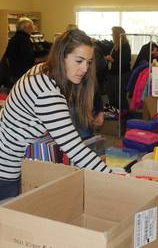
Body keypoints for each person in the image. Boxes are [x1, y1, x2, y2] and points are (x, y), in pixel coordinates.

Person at [0, 28, 111, 201]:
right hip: (5, 166)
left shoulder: (41, 71)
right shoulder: (48, 93)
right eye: (79, 61)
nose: (84, 69)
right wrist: (114, 178)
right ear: (62, 56)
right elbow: (75, 149)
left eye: (88, 62)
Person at [4, 17, 35, 88]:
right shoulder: (25, 40)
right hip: (22, 75)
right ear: (25, 28)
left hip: (12, 73)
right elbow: (29, 59)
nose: (32, 30)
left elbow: (7, 57)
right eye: (31, 27)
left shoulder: (13, 38)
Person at [105, 26, 131, 110]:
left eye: (113, 33)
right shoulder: (115, 45)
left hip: (121, 75)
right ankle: (115, 113)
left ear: (117, 35)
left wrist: (112, 59)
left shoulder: (125, 46)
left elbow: (125, 62)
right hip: (113, 74)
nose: (111, 34)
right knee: (112, 95)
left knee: (120, 97)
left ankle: (124, 115)